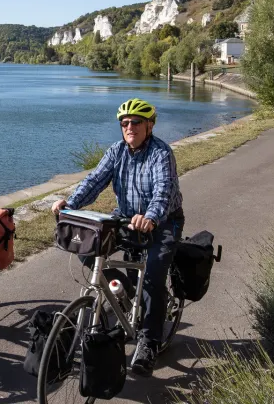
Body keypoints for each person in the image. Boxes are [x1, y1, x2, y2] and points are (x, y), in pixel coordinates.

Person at [51, 97, 185, 377]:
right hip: (125, 219)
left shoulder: (161, 153)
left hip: (161, 223)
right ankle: (125, 300)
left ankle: (149, 341)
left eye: (136, 122)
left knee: (152, 278)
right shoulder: (116, 152)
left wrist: (150, 216)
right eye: (124, 123)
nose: (129, 127)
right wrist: (71, 204)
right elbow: (94, 180)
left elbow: (164, 189)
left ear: (149, 125)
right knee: (89, 251)